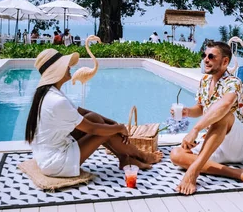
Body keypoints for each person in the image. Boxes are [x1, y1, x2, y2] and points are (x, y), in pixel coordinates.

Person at [25, 49, 163, 177]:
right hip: (56, 162)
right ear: (56, 71)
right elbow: (93, 129)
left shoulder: (51, 93)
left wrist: (111, 122)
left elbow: (82, 112)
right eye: (65, 65)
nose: (69, 67)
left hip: (48, 153)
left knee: (95, 118)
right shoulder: (56, 101)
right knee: (102, 131)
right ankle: (141, 156)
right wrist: (119, 128)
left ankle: (125, 158)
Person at [170, 41, 243, 195]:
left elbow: (224, 106)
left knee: (222, 116)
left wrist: (195, 129)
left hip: (239, 145)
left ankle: (194, 171)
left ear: (225, 61)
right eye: (204, 55)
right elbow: (201, 108)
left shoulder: (233, 82)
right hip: (215, 142)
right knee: (176, 154)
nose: (206, 59)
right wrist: (187, 111)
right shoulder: (205, 81)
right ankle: (239, 174)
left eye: (211, 56)